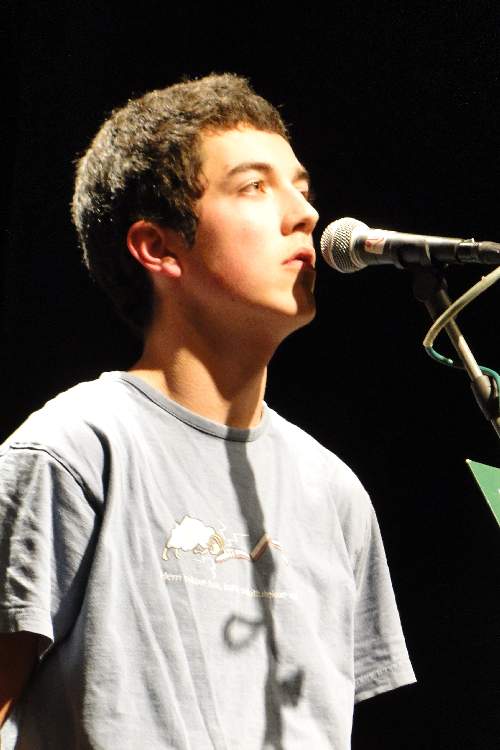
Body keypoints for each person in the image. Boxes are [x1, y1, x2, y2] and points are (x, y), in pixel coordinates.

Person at [0, 73, 415, 749]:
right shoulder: (74, 451)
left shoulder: (335, 493)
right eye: (254, 187)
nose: (305, 215)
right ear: (158, 247)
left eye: (302, 189)